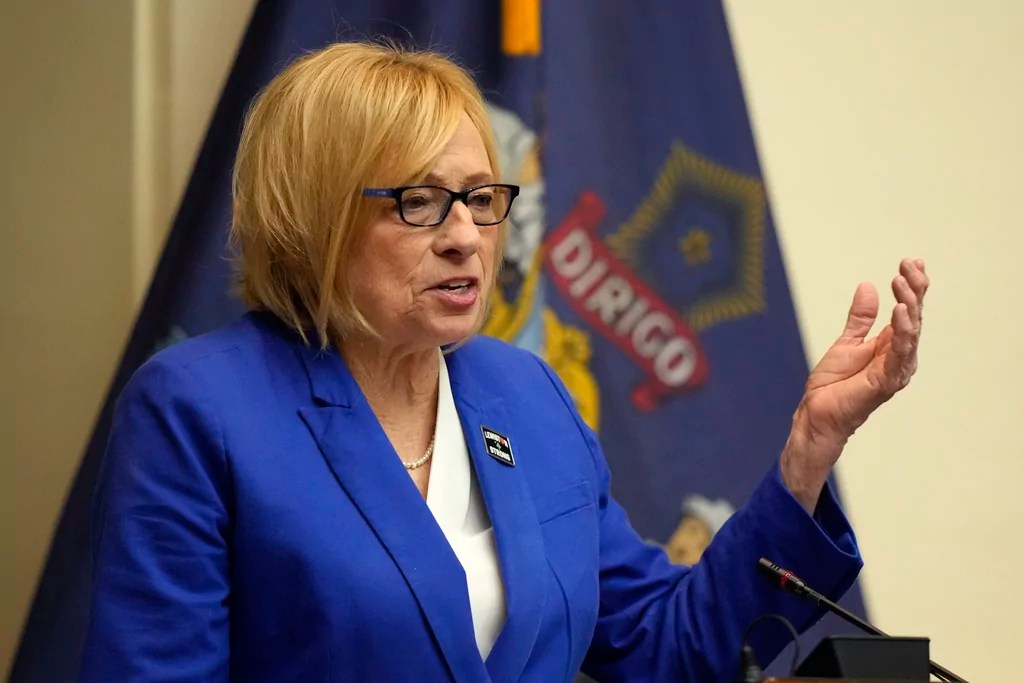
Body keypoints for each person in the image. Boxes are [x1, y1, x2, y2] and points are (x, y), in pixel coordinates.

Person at [80, 42, 929, 683]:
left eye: (482, 199)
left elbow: (665, 644)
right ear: (313, 220)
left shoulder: (522, 392)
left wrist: (807, 453)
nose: (466, 236)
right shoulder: (199, 409)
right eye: (420, 201)